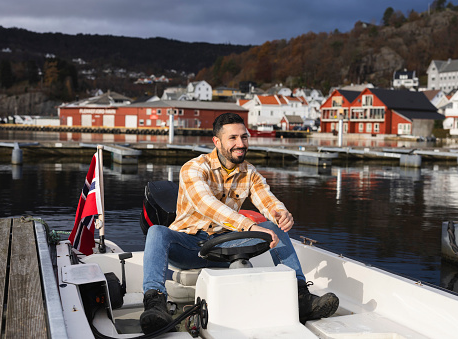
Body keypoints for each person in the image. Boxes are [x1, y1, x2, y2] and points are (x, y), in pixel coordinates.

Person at [140, 112, 338, 334]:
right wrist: (249, 226)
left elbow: (266, 199)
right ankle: (155, 303)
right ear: (217, 142)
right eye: (233, 138)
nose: (240, 144)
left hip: (224, 247)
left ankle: (301, 297)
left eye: (244, 137)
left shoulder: (249, 172)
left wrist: (280, 213)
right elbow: (208, 206)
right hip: (188, 246)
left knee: (275, 227)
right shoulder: (193, 168)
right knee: (157, 231)